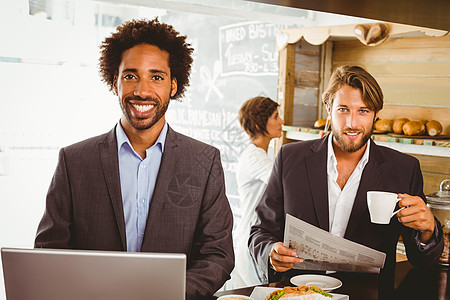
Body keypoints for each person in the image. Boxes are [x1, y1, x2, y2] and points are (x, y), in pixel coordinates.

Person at [34, 18, 234, 300]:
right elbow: (50, 252)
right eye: (130, 76)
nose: (142, 90)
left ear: (173, 86)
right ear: (114, 83)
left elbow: (218, 254)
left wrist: (168, 293)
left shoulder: (204, 161)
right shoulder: (74, 161)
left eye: (156, 77)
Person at [248, 65, 444, 297]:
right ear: (329, 109)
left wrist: (428, 230)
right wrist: (271, 253)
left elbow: (422, 260)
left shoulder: (404, 169)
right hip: (296, 293)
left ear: (375, 115)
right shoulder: (290, 158)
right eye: (343, 109)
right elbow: (260, 232)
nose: (352, 123)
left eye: (363, 111)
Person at [232, 96, 284, 288]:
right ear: (258, 123)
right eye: (276, 116)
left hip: (254, 235)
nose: (282, 122)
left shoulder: (259, 154)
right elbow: (282, 184)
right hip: (251, 238)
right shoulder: (254, 157)